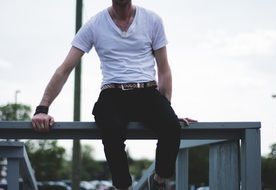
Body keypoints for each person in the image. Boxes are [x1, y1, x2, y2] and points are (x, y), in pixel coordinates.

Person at [32, 0, 195, 189]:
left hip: (147, 92)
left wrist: (167, 110)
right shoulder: (95, 24)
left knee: (171, 126)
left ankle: (157, 181)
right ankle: (123, 186)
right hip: (113, 94)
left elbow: (164, 70)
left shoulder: (152, 20)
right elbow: (65, 68)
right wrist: (42, 108)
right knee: (111, 129)